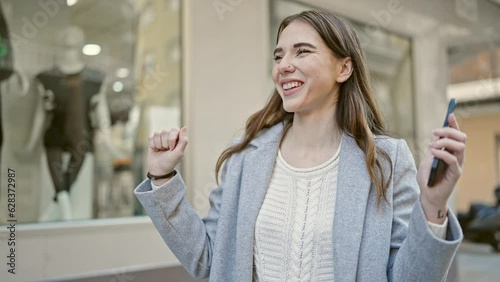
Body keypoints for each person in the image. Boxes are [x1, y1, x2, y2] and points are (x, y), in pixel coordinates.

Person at [134, 10, 466, 281]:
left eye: (302, 51)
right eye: (279, 55)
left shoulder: (385, 161)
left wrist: (434, 204)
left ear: (344, 67)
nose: (284, 65)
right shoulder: (248, 154)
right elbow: (208, 260)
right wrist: (162, 178)